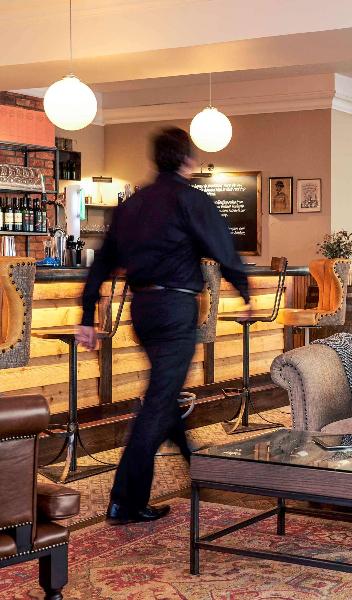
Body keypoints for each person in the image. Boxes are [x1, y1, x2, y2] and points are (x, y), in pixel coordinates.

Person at [77, 127, 251, 525]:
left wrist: (86, 315)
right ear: (187, 160)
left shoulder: (132, 204)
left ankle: (196, 466)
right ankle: (125, 500)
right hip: (175, 310)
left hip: (143, 310)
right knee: (158, 403)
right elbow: (223, 248)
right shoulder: (191, 199)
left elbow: (102, 262)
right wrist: (244, 291)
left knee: (164, 394)